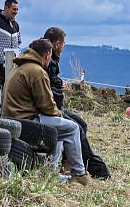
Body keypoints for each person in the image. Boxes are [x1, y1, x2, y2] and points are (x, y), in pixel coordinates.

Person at [2, 39, 90, 185]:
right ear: (47, 55)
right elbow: (47, 106)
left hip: (13, 119)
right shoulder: (37, 71)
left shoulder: (19, 67)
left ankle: (50, 171)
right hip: (26, 121)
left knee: (58, 130)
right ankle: (79, 174)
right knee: (72, 128)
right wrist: (60, 114)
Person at [43, 27, 111, 179]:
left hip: (53, 106)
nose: (64, 46)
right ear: (56, 44)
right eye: (63, 43)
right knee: (77, 129)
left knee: (81, 123)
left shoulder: (51, 60)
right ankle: (96, 170)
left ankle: (67, 162)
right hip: (50, 107)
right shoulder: (49, 63)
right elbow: (53, 92)